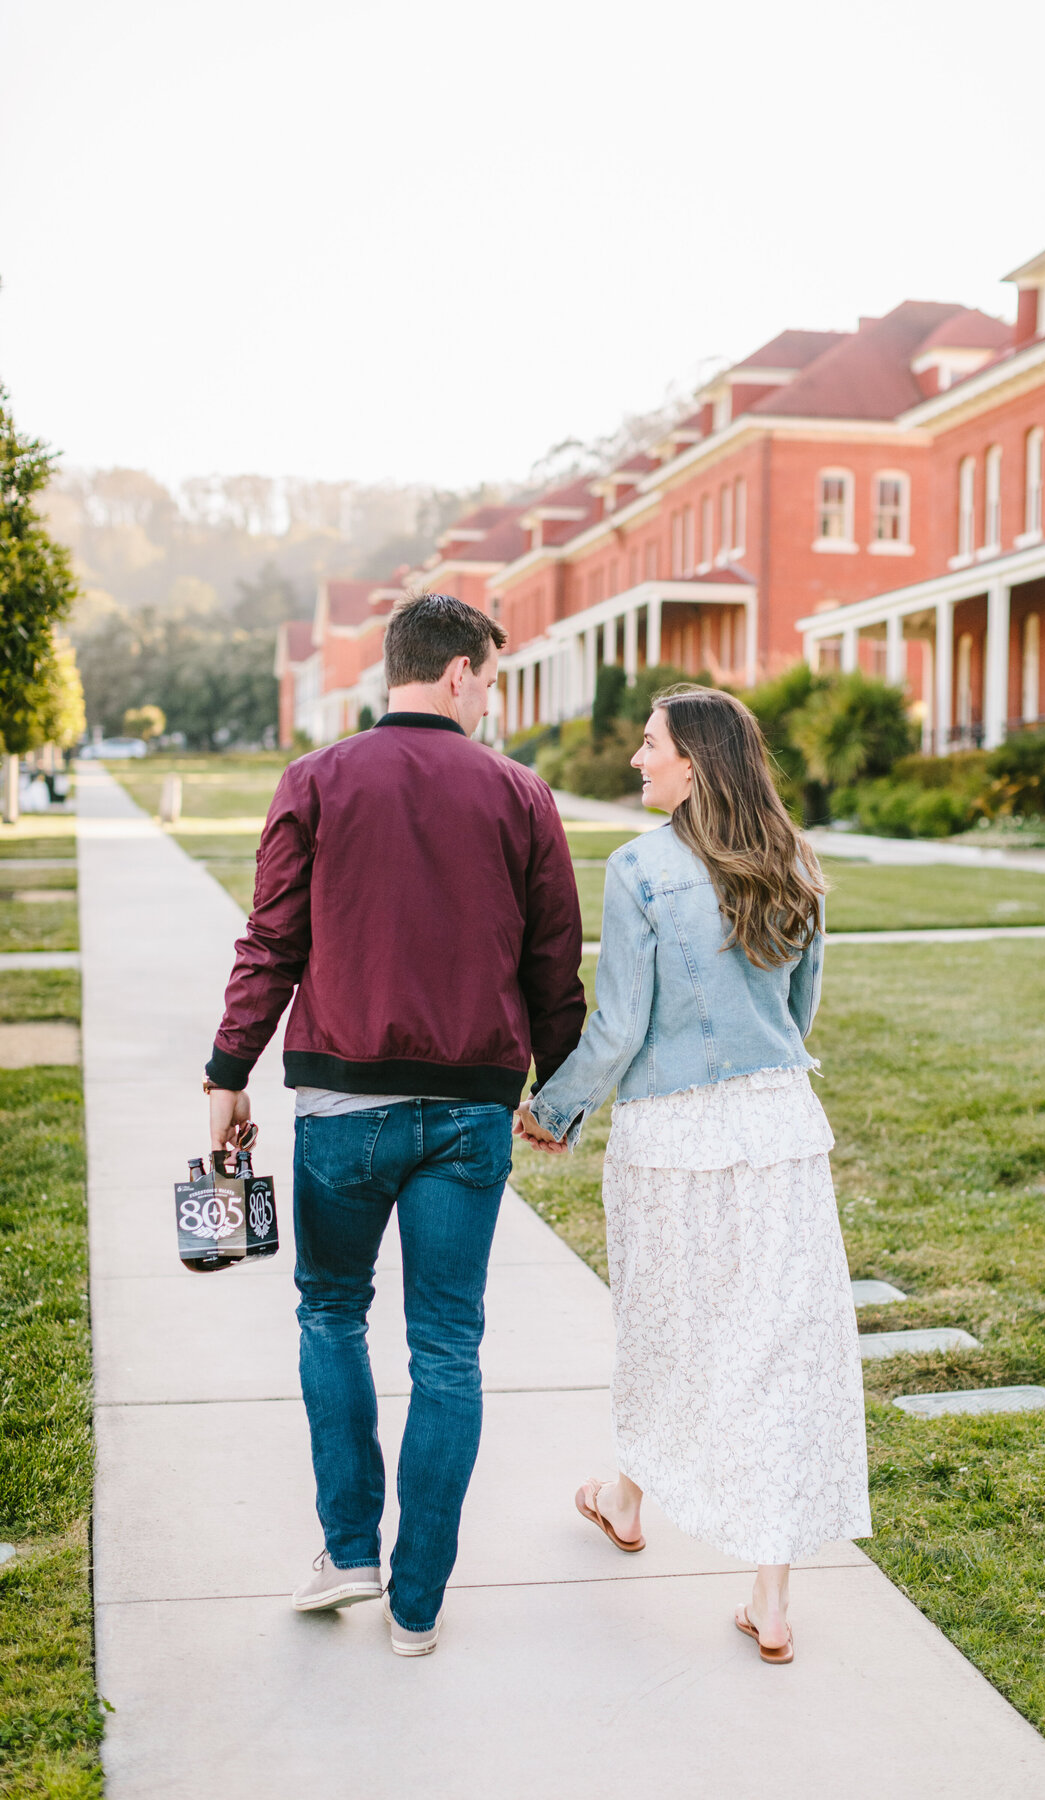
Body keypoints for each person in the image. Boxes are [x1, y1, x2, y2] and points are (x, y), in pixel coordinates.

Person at [205, 593, 585, 1656]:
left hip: (341, 1109)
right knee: (448, 1348)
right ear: (459, 674)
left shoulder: (316, 781)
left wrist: (227, 1071)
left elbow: (269, 943)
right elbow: (555, 967)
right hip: (470, 1114)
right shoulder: (521, 794)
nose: (492, 699)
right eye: (492, 680)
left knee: (331, 1315)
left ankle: (348, 1551)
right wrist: (555, 1095)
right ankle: (417, 1606)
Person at [517, 686, 870, 1665]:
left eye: (649, 744)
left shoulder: (639, 869)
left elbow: (622, 1028)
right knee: (777, 1347)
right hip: (781, 1130)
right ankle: (769, 1598)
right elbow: (800, 1016)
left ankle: (630, 1497)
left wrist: (552, 1110)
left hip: (674, 1136)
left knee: (667, 1327)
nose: (636, 760)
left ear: (695, 764)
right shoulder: (796, 863)